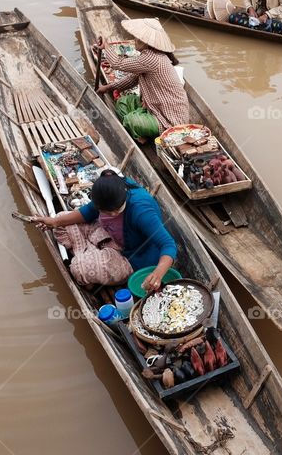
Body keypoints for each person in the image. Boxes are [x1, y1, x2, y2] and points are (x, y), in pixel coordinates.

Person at [33, 170, 177, 293]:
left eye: (115, 212)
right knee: (60, 219)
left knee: (79, 269)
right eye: (105, 212)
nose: (111, 215)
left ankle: (88, 255)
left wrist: (157, 274)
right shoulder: (109, 191)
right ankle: (89, 253)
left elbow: (168, 244)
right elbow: (87, 213)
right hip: (111, 237)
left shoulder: (141, 212)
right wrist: (54, 222)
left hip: (133, 257)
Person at [95, 17, 189, 141]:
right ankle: (142, 131)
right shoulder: (149, 57)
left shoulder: (152, 58)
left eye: (138, 38)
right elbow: (132, 80)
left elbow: (117, 63)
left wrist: (106, 46)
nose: (135, 40)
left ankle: (145, 132)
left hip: (170, 119)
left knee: (130, 120)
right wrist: (108, 87)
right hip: (155, 108)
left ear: (146, 42)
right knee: (123, 102)